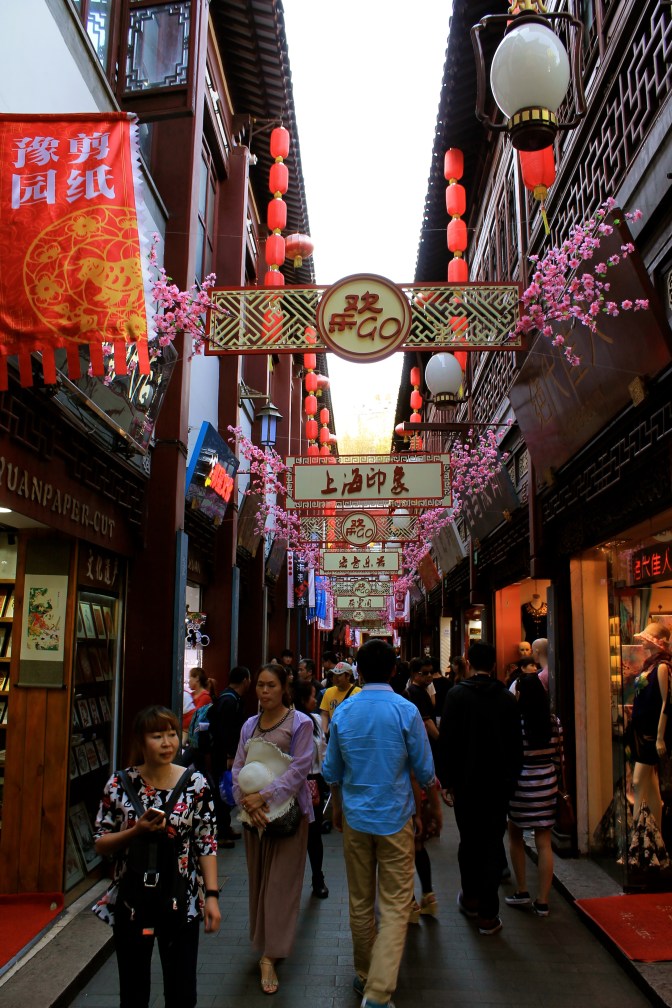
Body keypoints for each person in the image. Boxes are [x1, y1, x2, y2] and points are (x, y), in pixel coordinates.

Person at [323, 638, 441, 1008]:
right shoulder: (405, 710)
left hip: (357, 819)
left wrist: (337, 809)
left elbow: (331, 771)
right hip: (395, 818)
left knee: (360, 902)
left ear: (357, 671)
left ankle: (365, 974)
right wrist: (433, 809)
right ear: (394, 670)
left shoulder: (344, 711)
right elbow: (425, 770)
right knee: (394, 906)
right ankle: (377, 990)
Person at [92, 705, 220, 1008]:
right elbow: (100, 842)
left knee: (182, 992)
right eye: (157, 735)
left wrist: (212, 896)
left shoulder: (195, 783)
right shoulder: (118, 784)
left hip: (182, 899)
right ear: (140, 740)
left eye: (172, 734)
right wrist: (135, 831)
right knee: (134, 993)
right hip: (133, 900)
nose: (167, 742)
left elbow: (206, 841)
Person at [232, 663, 314, 995]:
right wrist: (246, 800)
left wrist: (266, 795)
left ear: (284, 688)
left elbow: (300, 767)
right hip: (254, 818)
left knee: (281, 884)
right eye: (260, 685)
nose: (264, 692)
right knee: (259, 880)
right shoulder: (249, 725)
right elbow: (238, 763)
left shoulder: (301, 723)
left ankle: (271, 953)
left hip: (288, 815)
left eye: (271, 686)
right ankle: (264, 938)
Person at [436, 641, 523, 936]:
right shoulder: (507, 700)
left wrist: (446, 780)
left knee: (469, 841)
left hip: (466, 784)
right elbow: (516, 746)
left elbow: (446, 740)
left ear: (468, 663)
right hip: (497, 786)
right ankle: (489, 914)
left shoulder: (457, 696)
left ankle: (471, 897)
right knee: (491, 843)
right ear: (495, 665)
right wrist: (512, 780)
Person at [505, 674, 563, 917]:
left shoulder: (514, 723)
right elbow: (560, 757)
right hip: (547, 783)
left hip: (520, 783)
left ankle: (521, 890)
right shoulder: (553, 722)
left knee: (516, 835)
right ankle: (543, 899)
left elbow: (508, 754)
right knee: (544, 841)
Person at [630, 622, 672, 826]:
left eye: (647, 639)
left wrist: (660, 737)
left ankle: (639, 836)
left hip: (651, 733)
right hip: (641, 729)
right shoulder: (651, 665)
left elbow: (667, 702)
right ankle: (657, 836)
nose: (643, 643)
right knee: (652, 786)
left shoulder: (663, 667)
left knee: (638, 782)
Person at [293, 678, 329, 898]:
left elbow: (323, 752)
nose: (315, 700)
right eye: (313, 696)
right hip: (293, 783)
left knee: (314, 835)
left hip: (314, 782)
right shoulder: (289, 721)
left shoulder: (315, 720)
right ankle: (292, 881)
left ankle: (318, 878)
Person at [209, 666, 251, 847]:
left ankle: (225, 827)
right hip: (222, 755)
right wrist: (229, 755)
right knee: (223, 792)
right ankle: (221, 832)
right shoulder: (229, 701)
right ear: (245, 681)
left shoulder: (229, 697)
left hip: (225, 754)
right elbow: (225, 731)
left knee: (225, 790)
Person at [406, 656, 439, 750]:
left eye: (431, 672)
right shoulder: (415, 692)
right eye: (425, 673)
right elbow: (427, 722)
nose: (429, 675)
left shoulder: (421, 690)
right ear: (415, 674)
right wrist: (441, 741)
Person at [319, 661, 361, 736]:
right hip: (334, 734)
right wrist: (324, 731)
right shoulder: (328, 692)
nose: (336, 678)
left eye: (339, 675)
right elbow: (324, 714)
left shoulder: (358, 692)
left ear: (348, 676)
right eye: (334, 675)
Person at [182, 667, 216, 741]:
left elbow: (193, 719)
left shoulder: (205, 697)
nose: (189, 681)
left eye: (190, 677)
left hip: (199, 739)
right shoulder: (191, 694)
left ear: (197, 678)